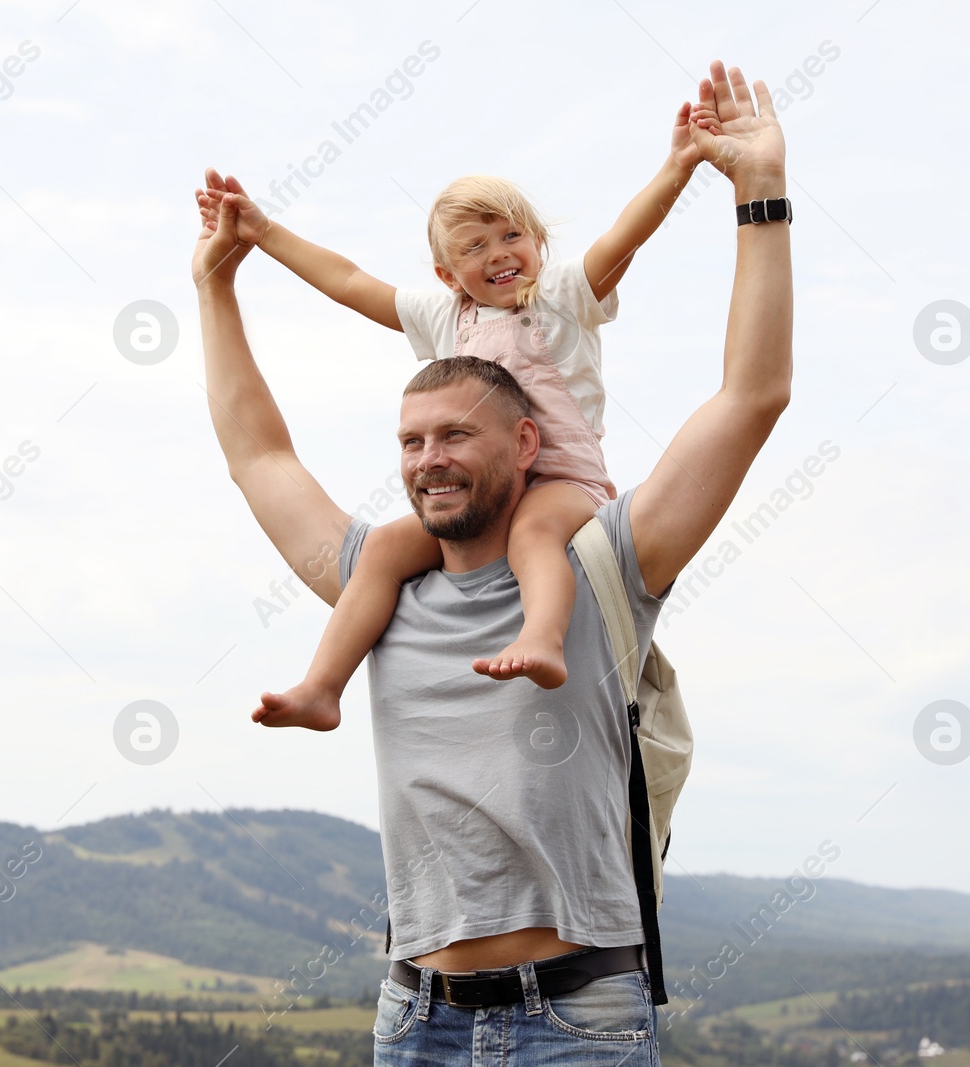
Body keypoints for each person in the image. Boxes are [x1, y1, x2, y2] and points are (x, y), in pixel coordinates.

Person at [195, 61, 790, 1064]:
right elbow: (257, 452)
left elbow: (751, 396)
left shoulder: (604, 563)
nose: (427, 459)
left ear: (520, 445)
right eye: (410, 440)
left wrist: (756, 193)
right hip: (411, 1018)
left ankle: (536, 640)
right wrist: (218, 283)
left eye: (453, 437)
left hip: (578, 1020)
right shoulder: (377, 586)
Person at [194, 103, 714, 735]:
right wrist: (265, 233)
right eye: (475, 247)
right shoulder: (448, 318)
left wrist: (678, 167)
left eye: (511, 235)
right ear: (447, 274)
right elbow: (349, 280)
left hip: (559, 483)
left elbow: (622, 238)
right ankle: (323, 687)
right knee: (383, 548)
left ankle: (543, 636)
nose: (500, 254)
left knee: (534, 537)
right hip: (481, 493)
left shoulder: (564, 298)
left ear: (539, 244)